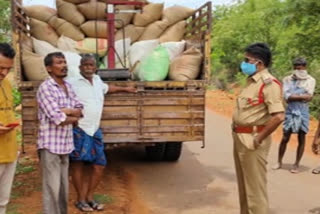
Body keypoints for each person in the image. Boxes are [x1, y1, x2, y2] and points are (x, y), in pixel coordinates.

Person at [67, 54, 136, 212]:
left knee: (99, 165)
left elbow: (108, 89)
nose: (88, 68)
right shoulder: (72, 82)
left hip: (94, 129)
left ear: (95, 68)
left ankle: (90, 197)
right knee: (77, 164)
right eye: (85, 65)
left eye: (91, 65)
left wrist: (125, 89)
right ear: (80, 67)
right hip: (80, 129)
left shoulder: (98, 81)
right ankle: (80, 200)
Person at [232, 43, 285, 214]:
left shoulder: (269, 84)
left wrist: (259, 138)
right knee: (244, 186)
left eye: (247, 60)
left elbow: (278, 116)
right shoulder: (251, 82)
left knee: (255, 189)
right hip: (240, 137)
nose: (244, 63)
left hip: (252, 138)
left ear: (259, 63)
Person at [37, 52, 83, 214]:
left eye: (64, 62)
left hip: (65, 144)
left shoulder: (68, 86)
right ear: (49, 68)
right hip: (50, 145)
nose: (63, 65)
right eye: (58, 63)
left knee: (63, 188)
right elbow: (57, 118)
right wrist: (71, 114)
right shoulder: (45, 88)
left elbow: (80, 110)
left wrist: (67, 112)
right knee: (52, 188)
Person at [272, 58, 315, 173]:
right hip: (291, 111)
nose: (297, 69)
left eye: (299, 67)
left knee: (302, 137)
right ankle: (279, 161)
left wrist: (294, 96)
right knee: (285, 137)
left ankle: (296, 164)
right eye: (295, 67)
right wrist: (302, 96)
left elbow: (309, 97)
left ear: (305, 67)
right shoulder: (287, 79)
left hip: (303, 111)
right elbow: (287, 97)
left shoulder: (310, 80)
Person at [0, 43, 19, 214]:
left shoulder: (6, 84)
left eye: (8, 68)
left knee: (3, 201)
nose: (4, 73)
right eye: (0, 68)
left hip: (9, 151)